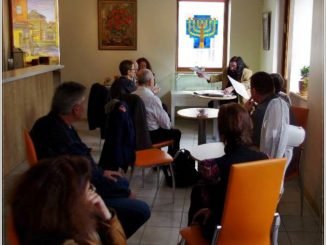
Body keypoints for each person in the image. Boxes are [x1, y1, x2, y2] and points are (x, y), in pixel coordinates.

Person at [30, 81, 150, 238]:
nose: (86, 107)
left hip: (72, 183)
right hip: (71, 194)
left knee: (121, 185)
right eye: (84, 102)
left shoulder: (47, 122)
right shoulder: (60, 135)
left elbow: (81, 162)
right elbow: (80, 172)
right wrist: (121, 188)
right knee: (140, 209)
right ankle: (105, 237)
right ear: (76, 108)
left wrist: (102, 172)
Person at [187, 103, 268, 241]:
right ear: (248, 126)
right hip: (256, 228)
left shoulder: (212, 167)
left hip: (221, 232)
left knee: (197, 192)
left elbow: (208, 199)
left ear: (222, 130)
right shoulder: (264, 160)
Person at [10, 155, 126, 244]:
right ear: (69, 203)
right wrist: (108, 219)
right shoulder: (73, 239)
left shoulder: (33, 220)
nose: (94, 194)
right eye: (89, 189)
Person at [133, 69, 181, 157]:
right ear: (150, 81)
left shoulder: (132, 95)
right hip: (150, 136)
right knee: (176, 133)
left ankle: (158, 158)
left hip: (135, 135)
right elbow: (166, 124)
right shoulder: (152, 98)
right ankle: (171, 161)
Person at [244, 71, 290, 158]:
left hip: (265, 161)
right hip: (285, 159)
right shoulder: (284, 104)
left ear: (253, 91)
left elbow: (248, 138)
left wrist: (245, 113)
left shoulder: (260, 111)